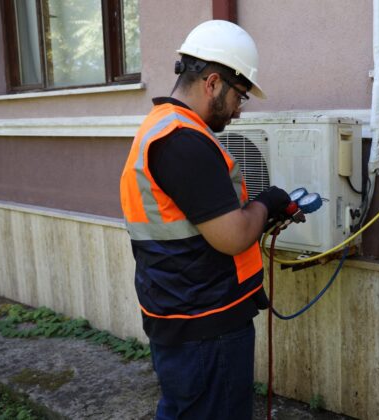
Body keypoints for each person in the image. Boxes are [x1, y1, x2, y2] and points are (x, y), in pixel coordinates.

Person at [120, 20, 294, 419]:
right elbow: (232, 237)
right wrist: (268, 202)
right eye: (240, 97)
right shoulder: (183, 142)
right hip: (205, 327)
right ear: (213, 83)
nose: (238, 111)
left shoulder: (161, 129)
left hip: (184, 314)